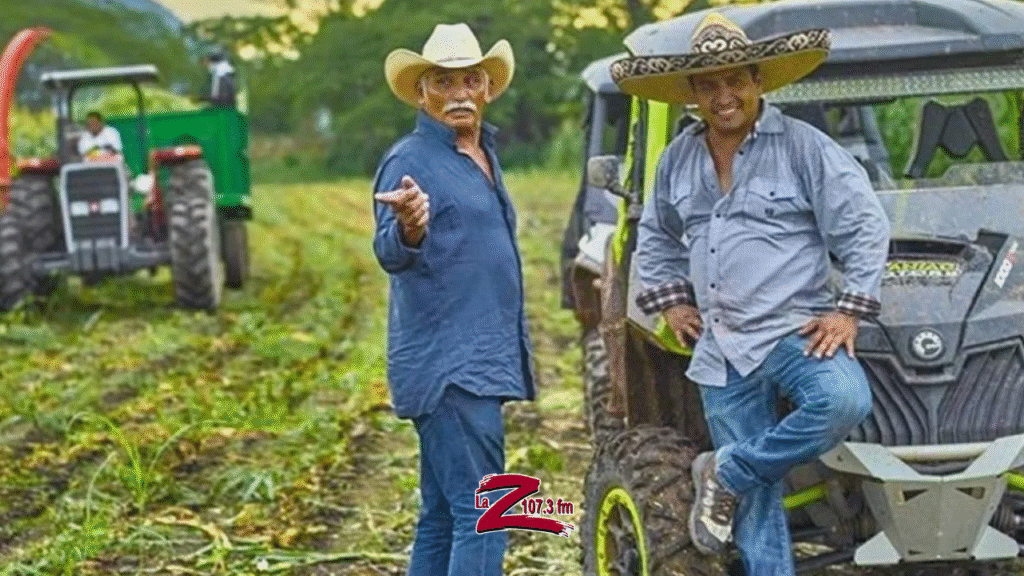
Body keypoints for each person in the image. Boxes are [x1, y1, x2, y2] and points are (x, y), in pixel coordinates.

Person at [612, 13, 891, 576]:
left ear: (758, 80)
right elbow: (658, 237)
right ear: (691, 92)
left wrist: (849, 309)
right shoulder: (678, 160)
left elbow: (864, 224)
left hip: (795, 329)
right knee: (759, 501)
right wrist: (670, 301)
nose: (724, 96)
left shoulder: (804, 147)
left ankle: (729, 470)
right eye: (709, 85)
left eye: (735, 80)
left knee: (844, 401)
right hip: (720, 344)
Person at [371, 22, 534, 576]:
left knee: (443, 513)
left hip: (476, 361)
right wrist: (410, 228)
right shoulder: (410, 159)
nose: (458, 92)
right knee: (487, 513)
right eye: (443, 82)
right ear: (421, 93)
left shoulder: (481, 153)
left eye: (469, 79)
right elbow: (390, 249)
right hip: (452, 367)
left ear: (488, 87)